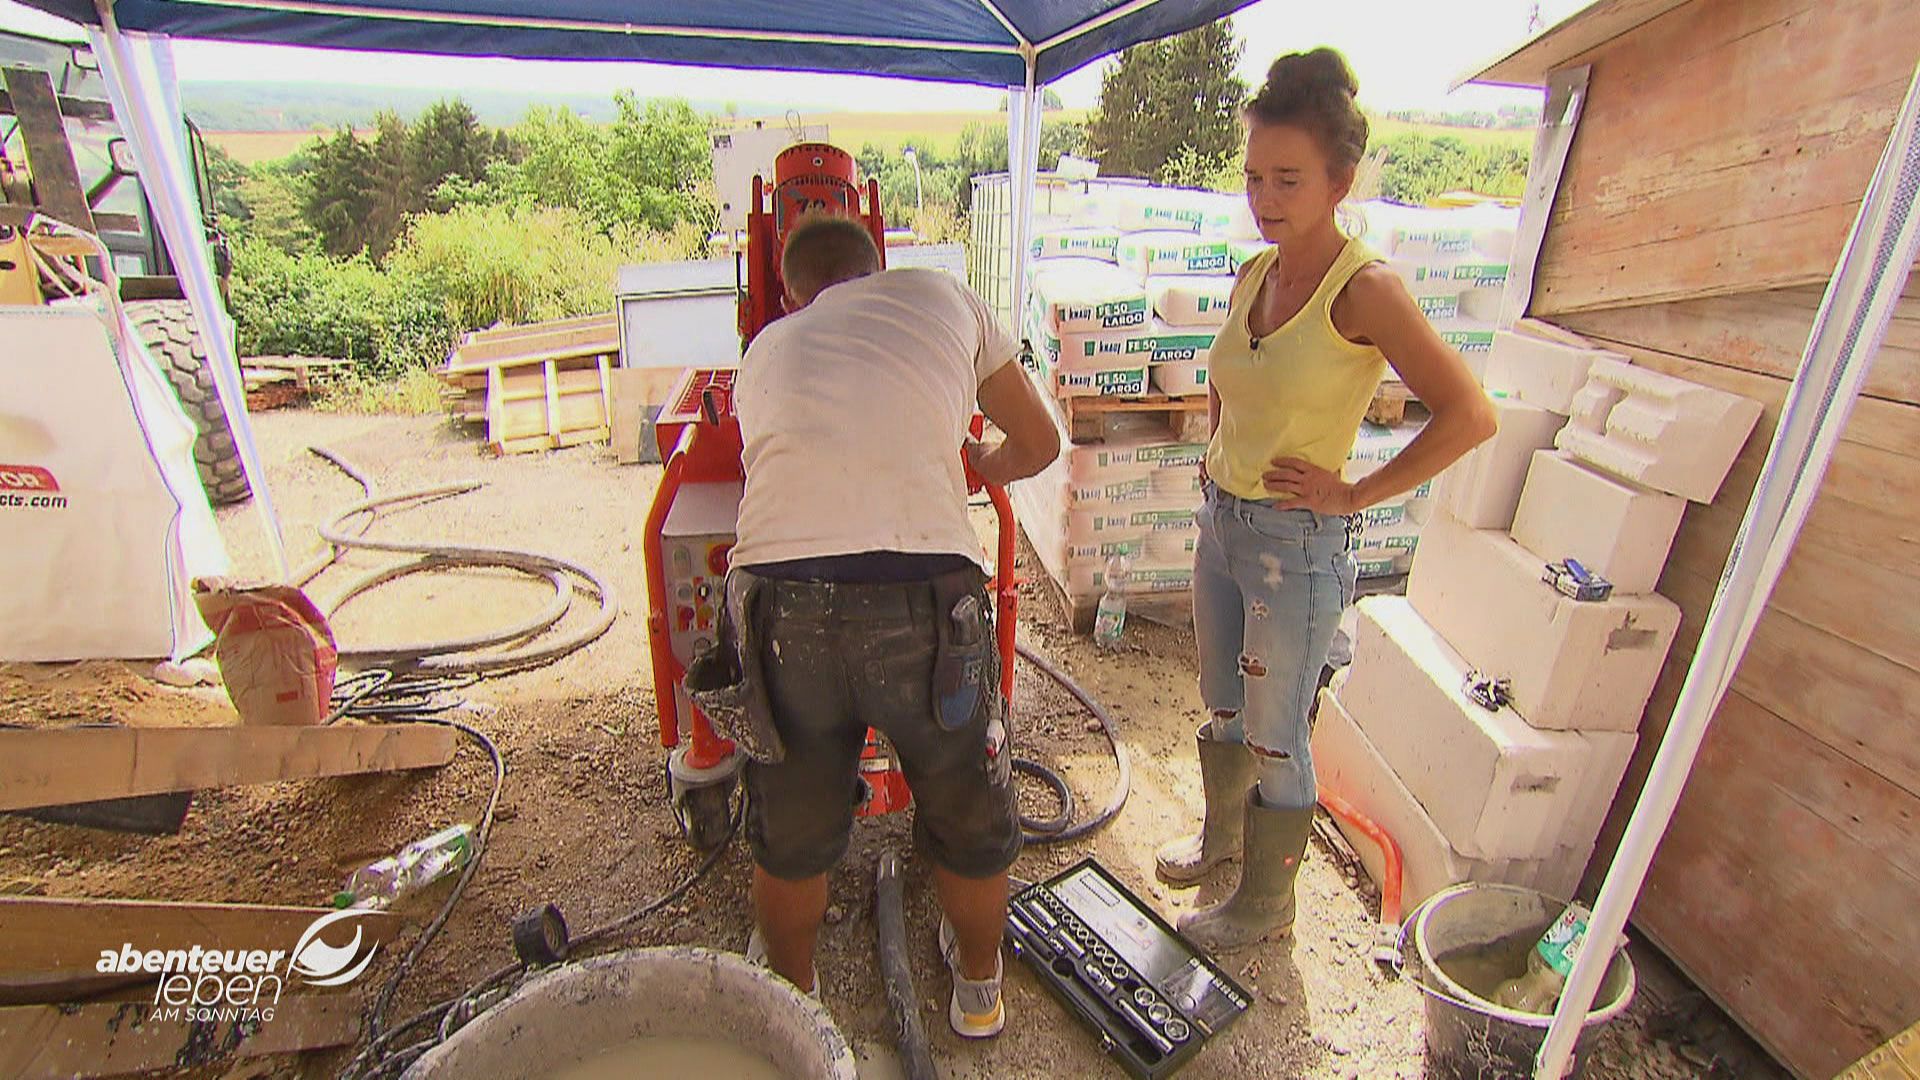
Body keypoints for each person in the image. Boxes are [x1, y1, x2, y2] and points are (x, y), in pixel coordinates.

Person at [1155, 48, 1497, 953]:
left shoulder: (1368, 289)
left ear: (1340, 180)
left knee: (1276, 731)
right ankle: (1221, 840)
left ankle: (1267, 905)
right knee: (1222, 701)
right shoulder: (1255, 275)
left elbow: (1470, 414)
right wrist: (1221, 449)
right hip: (1224, 526)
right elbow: (1230, 375)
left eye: (1289, 179)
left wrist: (1354, 493)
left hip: (1295, 547)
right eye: (1255, 177)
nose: (1266, 197)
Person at [728, 214, 1061, 1036]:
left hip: (783, 597)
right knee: (966, 808)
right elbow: (1040, 440)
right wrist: (983, 466)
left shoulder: (765, 350)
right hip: (927, 593)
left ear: (794, 290)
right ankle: (979, 991)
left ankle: (794, 1007)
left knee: (794, 829)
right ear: (880, 264)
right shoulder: (944, 296)